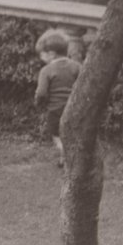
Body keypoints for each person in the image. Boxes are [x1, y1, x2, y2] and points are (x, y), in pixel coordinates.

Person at [34, 30, 81, 167]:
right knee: (71, 133)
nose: (41, 57)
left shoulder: (46, 70)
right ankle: (65, 159)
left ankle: (66, 156)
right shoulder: (76, 66)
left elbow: (41, 92)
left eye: (42, 54)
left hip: (55, 109)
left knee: (56, 135)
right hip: (74, 108)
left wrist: (38, 103)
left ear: (51, 54)